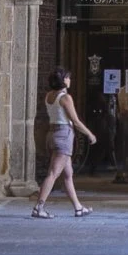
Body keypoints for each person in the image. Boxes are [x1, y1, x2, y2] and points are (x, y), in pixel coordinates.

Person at [33, 67, 94, 217]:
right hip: (63, 135)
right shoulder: (65, 98)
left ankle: (78, 208)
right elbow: (75, 121)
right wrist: (89, 134)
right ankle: (39, 207)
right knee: (53, 174)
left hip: (52, 134)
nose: (70, 80)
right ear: (63, 80)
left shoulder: (49, 96)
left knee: (67, 174)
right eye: (68, 77)